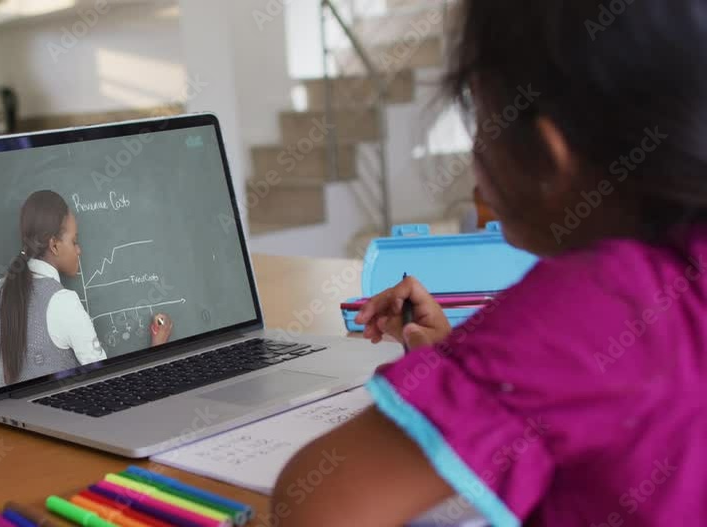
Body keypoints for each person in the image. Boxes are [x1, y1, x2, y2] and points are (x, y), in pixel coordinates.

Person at [273, 0, 707, 525]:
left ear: (548, 156)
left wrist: (473, 370)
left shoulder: (588, 307)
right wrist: (459, 367)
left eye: (479, 117)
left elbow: (312, 504)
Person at [0, 190, 173, 392]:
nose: (79, 250)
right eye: (74, 241)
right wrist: (158, 348)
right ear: (54, 245)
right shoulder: (63, 302)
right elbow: (110, 386)